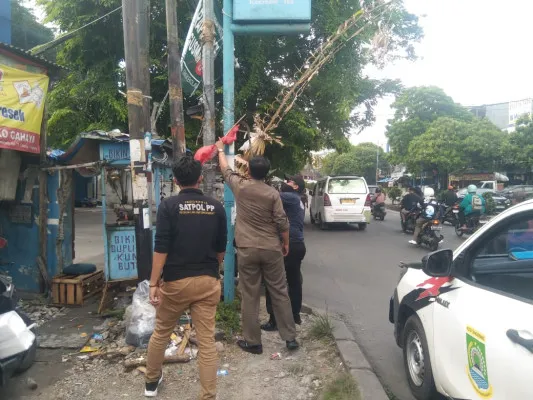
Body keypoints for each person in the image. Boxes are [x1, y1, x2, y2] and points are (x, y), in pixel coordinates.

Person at [145, 156, 227, 399]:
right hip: (207, 281)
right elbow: (221, 248)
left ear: (175, 180)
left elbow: (161, 248)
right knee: (206, 341)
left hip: (176, 283)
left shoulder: (169, 206)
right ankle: (208, 395)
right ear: (200, 178)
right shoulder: (217, 207)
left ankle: (151, 382)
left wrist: (153, 283)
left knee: (161, 332)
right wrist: (213, 271)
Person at [215, 140, 299, 354]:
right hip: (271, 248)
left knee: (250, 295)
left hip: (247, 249)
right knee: (280, 292)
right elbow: (282, 222)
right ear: (267, 173)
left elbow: (225, 170)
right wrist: (286, 243)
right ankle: (290, 338)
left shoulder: (240, 187)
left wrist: (219, 150)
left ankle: (253, 342)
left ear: (249, 170)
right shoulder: (273, 193)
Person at [261, 174, 307, 331]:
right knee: (294, 282)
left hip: (288, 245)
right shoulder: (299, 199)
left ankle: (274, 320)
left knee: (273, 281)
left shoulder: (289, 197)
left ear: (296, 187)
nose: (286, 183)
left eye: (289, 181)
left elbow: (268, 195)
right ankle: (295, 315)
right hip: (299, 244)